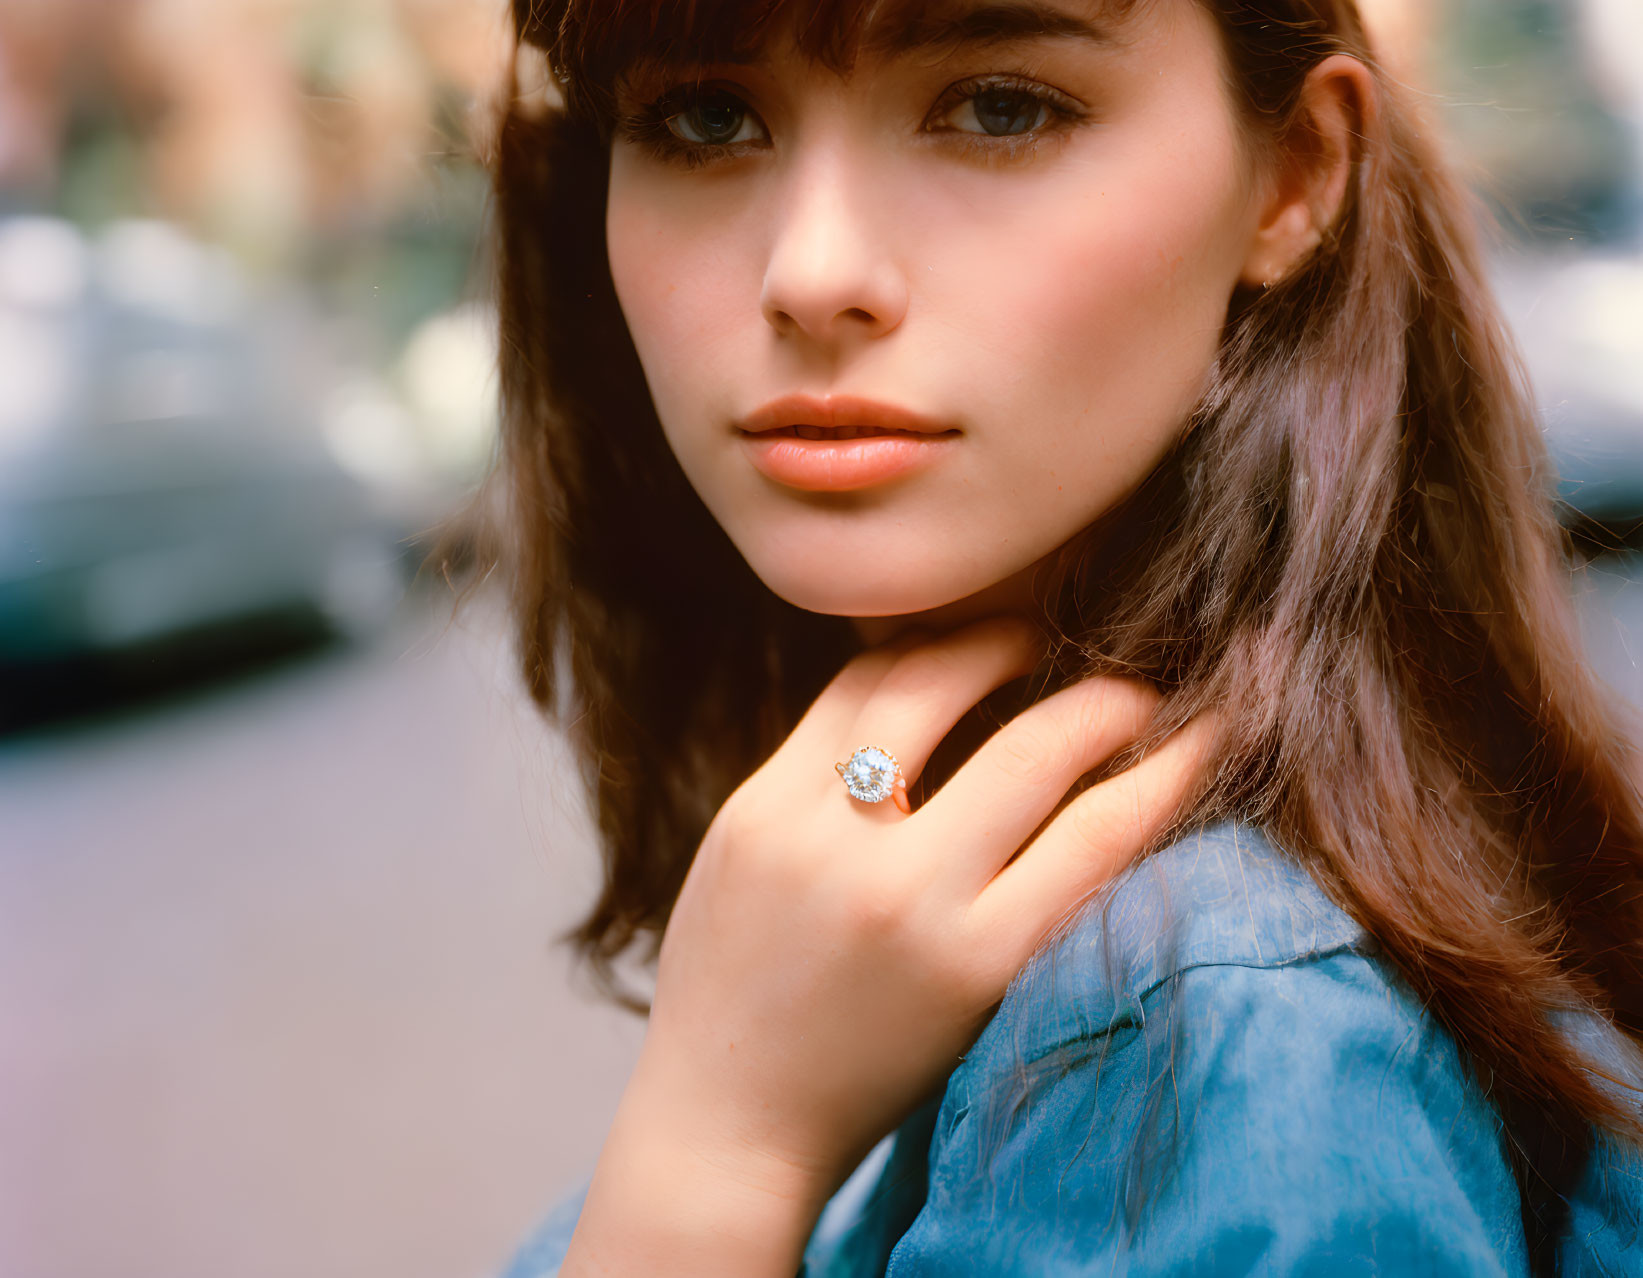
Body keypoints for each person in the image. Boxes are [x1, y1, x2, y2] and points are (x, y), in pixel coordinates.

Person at [467, 0, 1643, 1273]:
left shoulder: (1220, 1027)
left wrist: (714, 1159)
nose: (810, 273)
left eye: (998, 107)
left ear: (1293, 176)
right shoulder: (974, 906)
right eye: (703, 117)